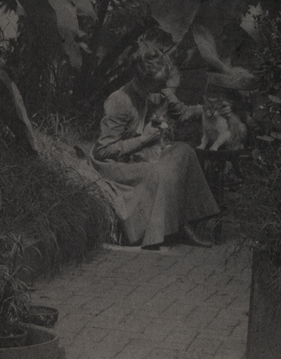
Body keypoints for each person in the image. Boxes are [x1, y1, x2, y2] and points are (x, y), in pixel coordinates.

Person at [90, 45, 219, 250]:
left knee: (185, 152)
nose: (164, 88)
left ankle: (187, 222)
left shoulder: (156, 91)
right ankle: (160, 232)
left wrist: (211, 110)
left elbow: (182, 112)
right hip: (116, 165)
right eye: (159, 84)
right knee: (159, 172)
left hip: (141, 155)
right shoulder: (120, 100)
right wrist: (143, 140)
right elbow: (103, 150)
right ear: (144, 81)